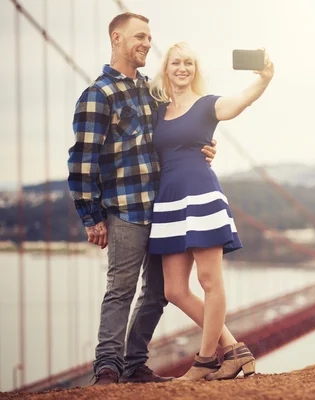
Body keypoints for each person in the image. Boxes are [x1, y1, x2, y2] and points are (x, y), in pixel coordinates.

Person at [67, 12, 218, 386]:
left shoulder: (152, 91)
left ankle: (134, 363)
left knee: (158, 294)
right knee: (121, 289)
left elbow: (175, 133)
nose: (147, 44)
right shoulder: (98, 94)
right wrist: (91, 217)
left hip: (163, 207)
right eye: (139, 37)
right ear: (116, 38)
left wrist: (203, 147)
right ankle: (107, 368)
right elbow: (81, 161)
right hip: (125, 210)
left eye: (149, 38)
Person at [146, 41, 274, 381]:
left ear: (195, 69)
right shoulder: (157, 110)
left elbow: (236, 104)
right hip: (169, 201)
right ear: (166, 69)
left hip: (201, 195)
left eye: (188, 62)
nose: (182, 68)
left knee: (209, 282)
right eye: (175, 62)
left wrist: (263, 80)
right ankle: (233, 349)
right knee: (174, 289)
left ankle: (204, 362)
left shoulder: (205, 106)